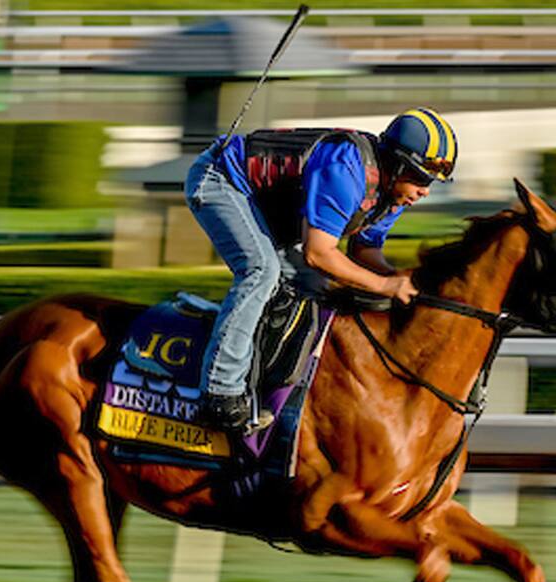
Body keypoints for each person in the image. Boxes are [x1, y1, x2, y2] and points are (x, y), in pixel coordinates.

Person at [184, 107, 458, 432]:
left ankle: (269, 386)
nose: (424, 191)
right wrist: (385, 287)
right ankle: (220, 392)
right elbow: (318, 253)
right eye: (420, 178)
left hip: (267, 206)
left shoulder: (393, 195)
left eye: (431, 183)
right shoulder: (346, 168)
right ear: (396, 164)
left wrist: (396, 278)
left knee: (313, 286)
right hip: (221, 179)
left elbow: (365, 251)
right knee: (262, 271)